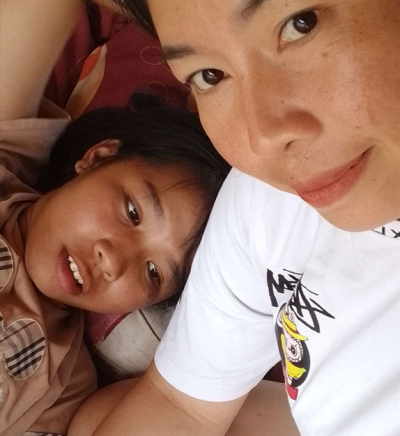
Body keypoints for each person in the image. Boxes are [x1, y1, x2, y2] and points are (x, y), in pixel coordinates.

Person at [68, 0, 400, 435]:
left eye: (301, 25)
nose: (262, 136)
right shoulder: (262, 200)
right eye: (209, 76)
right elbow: (181, 406)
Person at [0, 1, 230, 434]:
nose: (115, 260)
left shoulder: (69, 391)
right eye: (132, 211)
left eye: (153, 273)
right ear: (98, 157)